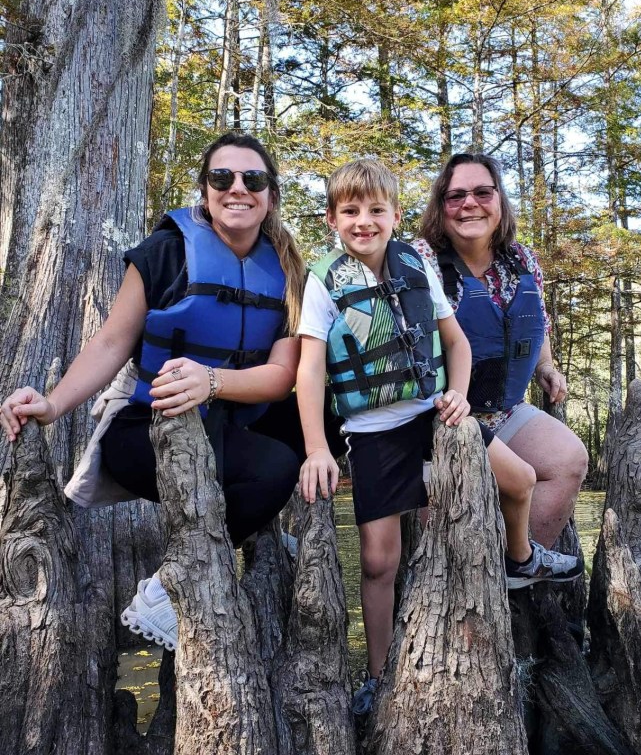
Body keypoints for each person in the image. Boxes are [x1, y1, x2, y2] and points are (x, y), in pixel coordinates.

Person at [0, 132, 327, 651]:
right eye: (221, 177)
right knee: (273, 470)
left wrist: (211, 381)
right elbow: (112, 341)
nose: (237, 188)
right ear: (204, 191)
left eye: (253, 179)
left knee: (322, 415)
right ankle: (169, 588)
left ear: (270, 195)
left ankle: (243, 524)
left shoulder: (289, 271)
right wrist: (53, 403)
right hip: (149, 428)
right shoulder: (165, 252)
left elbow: (282, 376)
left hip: (233, 420)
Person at [295, 159, 582, 716]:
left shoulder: (415, 265)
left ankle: (519, 558)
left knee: (521, 479)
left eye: (376, 210)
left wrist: (458, 395)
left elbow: (457, 344)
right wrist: (316, 448)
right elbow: (309, 369)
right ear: (331, 219)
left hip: (434, 418)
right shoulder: (323, 280)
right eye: (350, 211)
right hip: (372, 435)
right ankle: (377, 675)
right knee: (379, 562)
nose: (363, 221)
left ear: (395, 216)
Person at [414, 152, 589, 551]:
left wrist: (546, 365)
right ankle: (460, 574)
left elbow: (537, 322)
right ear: (441, 206)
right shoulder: (418, 261)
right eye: (456, 196)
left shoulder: (522, 260)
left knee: (568, 459)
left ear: (499, 201)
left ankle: (516, 565)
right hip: (438, 422)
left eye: (482, 192)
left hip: (504, 412)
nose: (469, 204)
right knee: (445, 510)